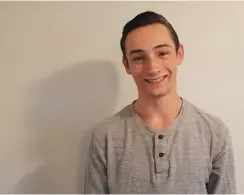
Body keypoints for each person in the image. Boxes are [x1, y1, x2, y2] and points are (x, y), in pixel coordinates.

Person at [84, 11, 236, 194]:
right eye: (139, 58)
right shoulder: (104, 137)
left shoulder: (214, 132)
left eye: (162, 53)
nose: (153, 68)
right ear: (127, 65)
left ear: (179, 54)